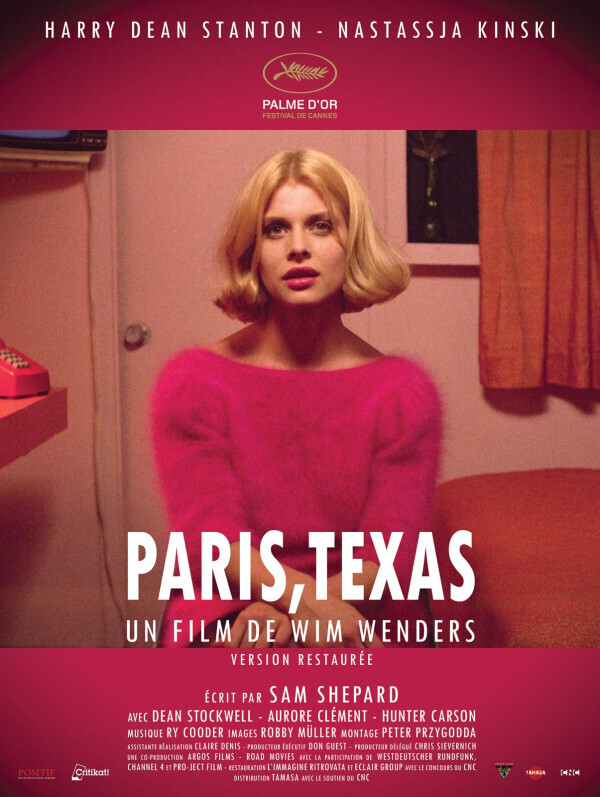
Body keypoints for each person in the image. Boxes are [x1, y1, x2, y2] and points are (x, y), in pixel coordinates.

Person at [151, 149, 442, 648]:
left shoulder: (403, 392)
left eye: (321, 226)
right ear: (252, 250)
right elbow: (212, 542)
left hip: (365, 605)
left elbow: (389, 558)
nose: (298, 248)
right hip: (228, 601)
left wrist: (297, 613)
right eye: (275, 230)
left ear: (353, 243)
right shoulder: (192, 382)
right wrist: (287, 605)